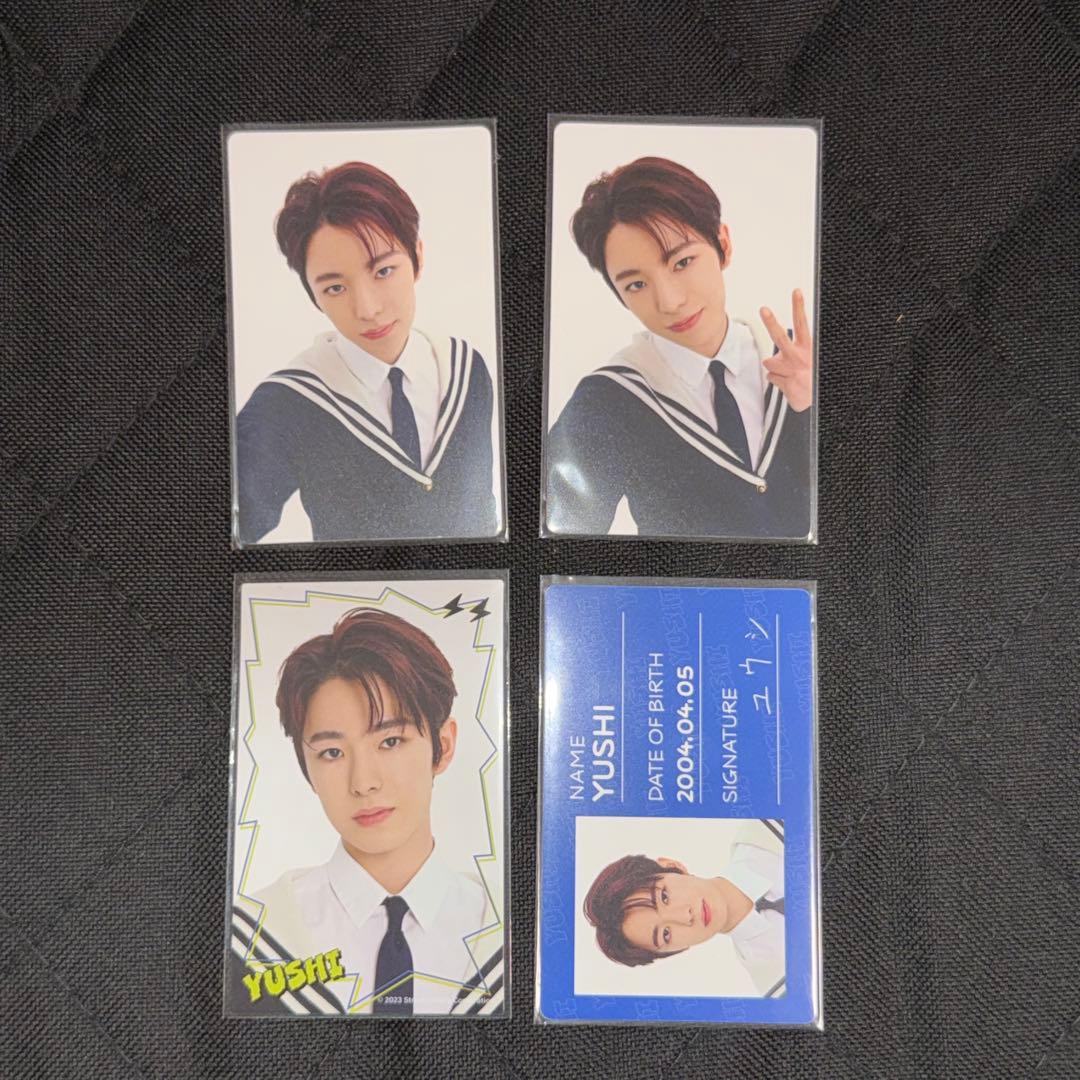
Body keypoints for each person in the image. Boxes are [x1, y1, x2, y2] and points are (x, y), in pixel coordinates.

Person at [229, 608, 502, 1016]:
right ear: (306, 767)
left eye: (390, 741)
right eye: (332, 752)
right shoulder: (250, 939)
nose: (363, 782)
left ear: (443, 746)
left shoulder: (505, 934)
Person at [545, 156, 813, 540]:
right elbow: (556, 537)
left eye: (682, 262)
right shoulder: (609, 400)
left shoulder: (801, 360)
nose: (669, 301)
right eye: (637, 285)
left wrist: (816, 409)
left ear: (723, 245)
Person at [235, 161, 498, 544]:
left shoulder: (466, 369)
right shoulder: (287, 404)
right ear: (313, 296)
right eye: (335, 288)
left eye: (383, 271)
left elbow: (483, 514)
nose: (367, 309)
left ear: (418, 257)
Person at [582, 819, 785, 997]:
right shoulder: (778, 985)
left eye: (664, 896)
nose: (684, 916)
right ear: (676, 950)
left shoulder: (768, 828)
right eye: (666, 934)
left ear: (672, 866)